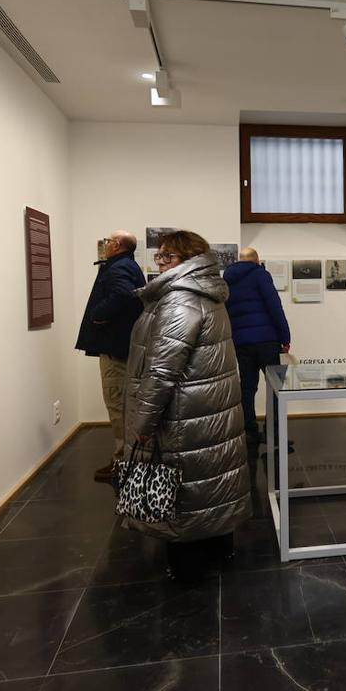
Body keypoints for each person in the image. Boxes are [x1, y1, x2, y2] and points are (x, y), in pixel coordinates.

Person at [124, 230, 250, 581]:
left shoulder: (180, 300)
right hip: (209, 406)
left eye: (168, 257)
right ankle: (221, 547)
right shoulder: (206, 293)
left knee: (183, 489)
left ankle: (187, 567)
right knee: (214, 478)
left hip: (184, 413)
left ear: (189, 259)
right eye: (159, 256)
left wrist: (143, 425)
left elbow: (162, 370)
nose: (160, 263)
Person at [75, 230, 145, 480]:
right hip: (123, 345)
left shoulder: (118, 268)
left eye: (107, 241)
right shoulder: (128, 265)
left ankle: (123, 462)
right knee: (125, 404)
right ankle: (129, 458)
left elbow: (124, 295)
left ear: (117, 245)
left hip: (116, 348)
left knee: (117, 403)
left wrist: (98, 314)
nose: (104, 244)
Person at [223, 247, 291, 447]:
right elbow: (274, 306)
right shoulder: (260, 274)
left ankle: (250, 432)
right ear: (256, 260)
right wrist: (285, 336)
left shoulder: (228, 279)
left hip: (241, 342)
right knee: (276, 388)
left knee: (247, 386)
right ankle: (275, 434)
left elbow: (226, 312)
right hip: (266, 340)